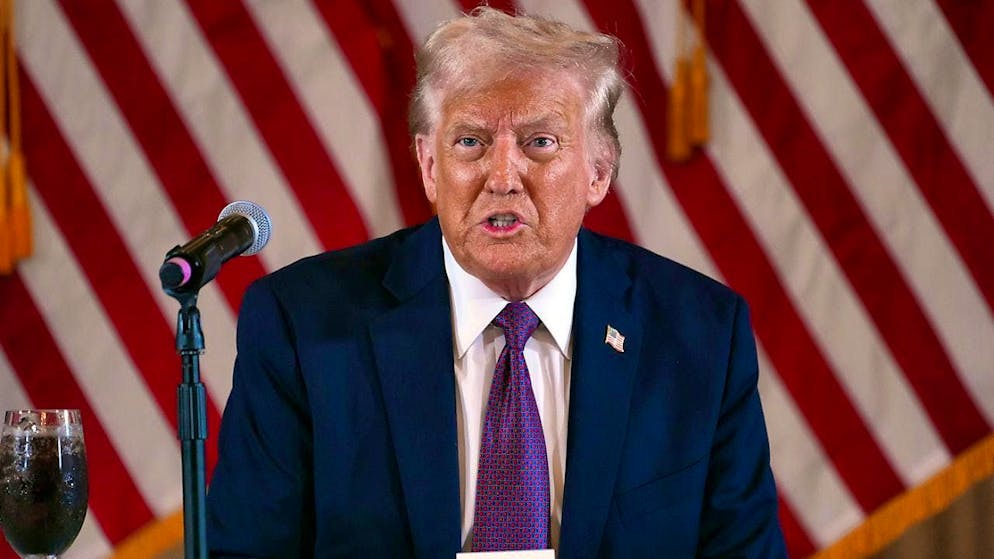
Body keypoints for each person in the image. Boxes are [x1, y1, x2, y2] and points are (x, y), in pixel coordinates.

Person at [206, 7, 785, 558]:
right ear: (430, 167)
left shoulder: (699, 334)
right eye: (470, 142)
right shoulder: (302, 325)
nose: (502, 177)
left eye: (540, 143)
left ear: (599, 172)